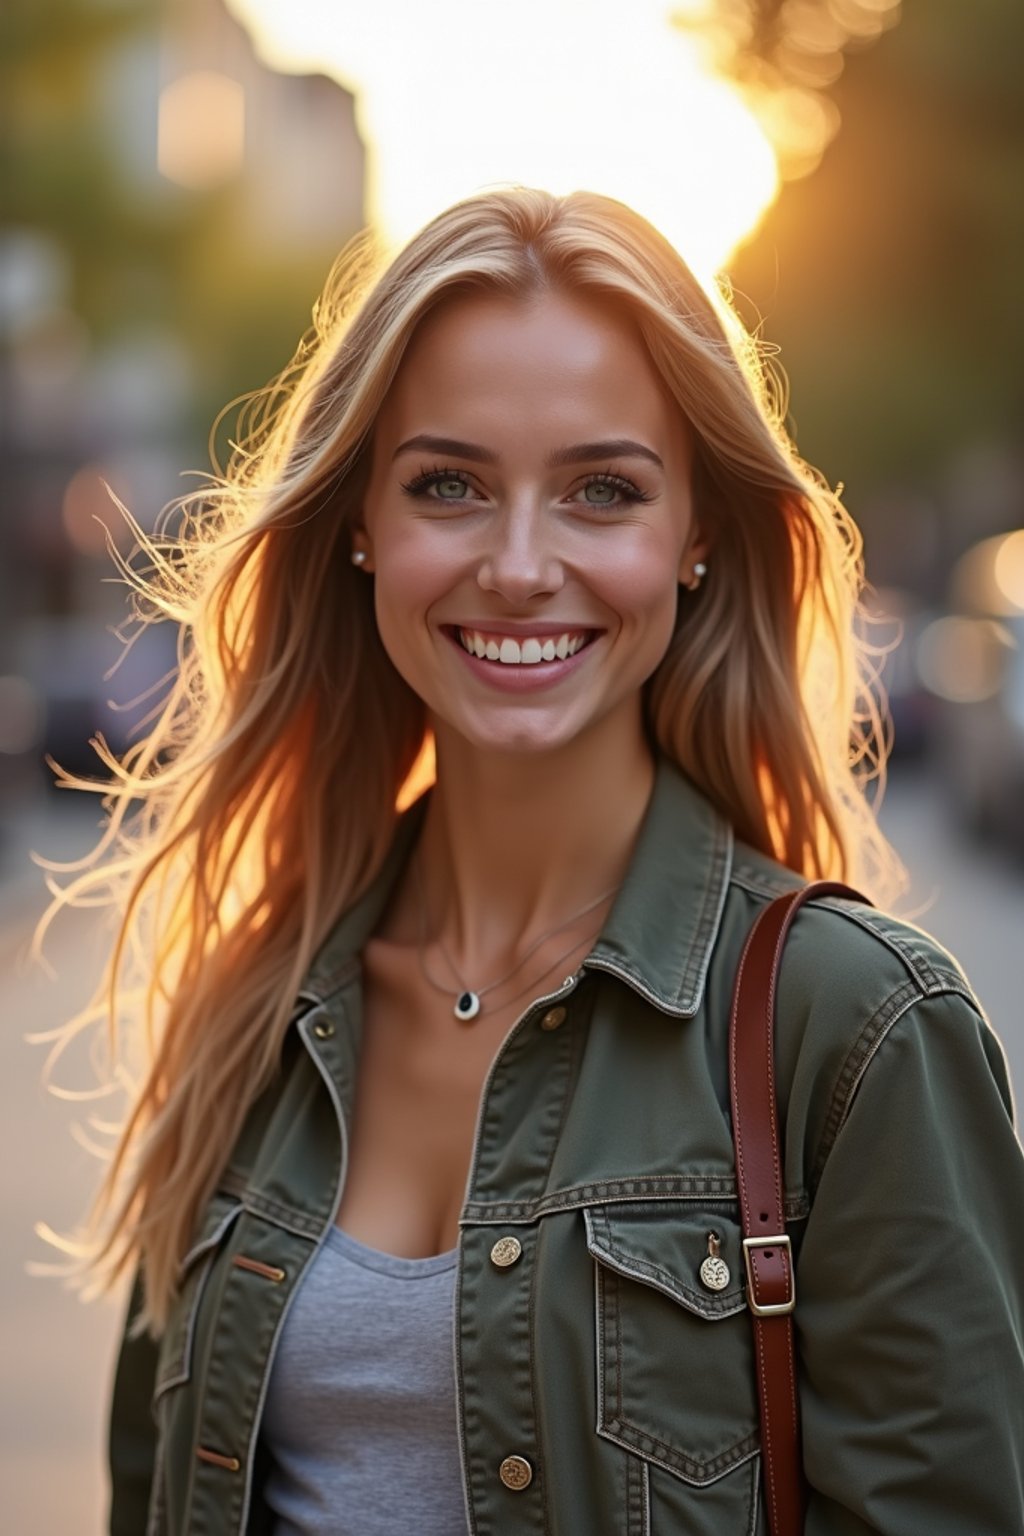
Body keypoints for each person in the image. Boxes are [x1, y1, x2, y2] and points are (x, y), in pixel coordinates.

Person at [52, 187, 1021, 1533]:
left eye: (601, 491)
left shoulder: (854, 1034)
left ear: (694, 537)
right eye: (447, 484)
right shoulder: (257, 1010)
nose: (518, 565)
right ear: (359, 525)